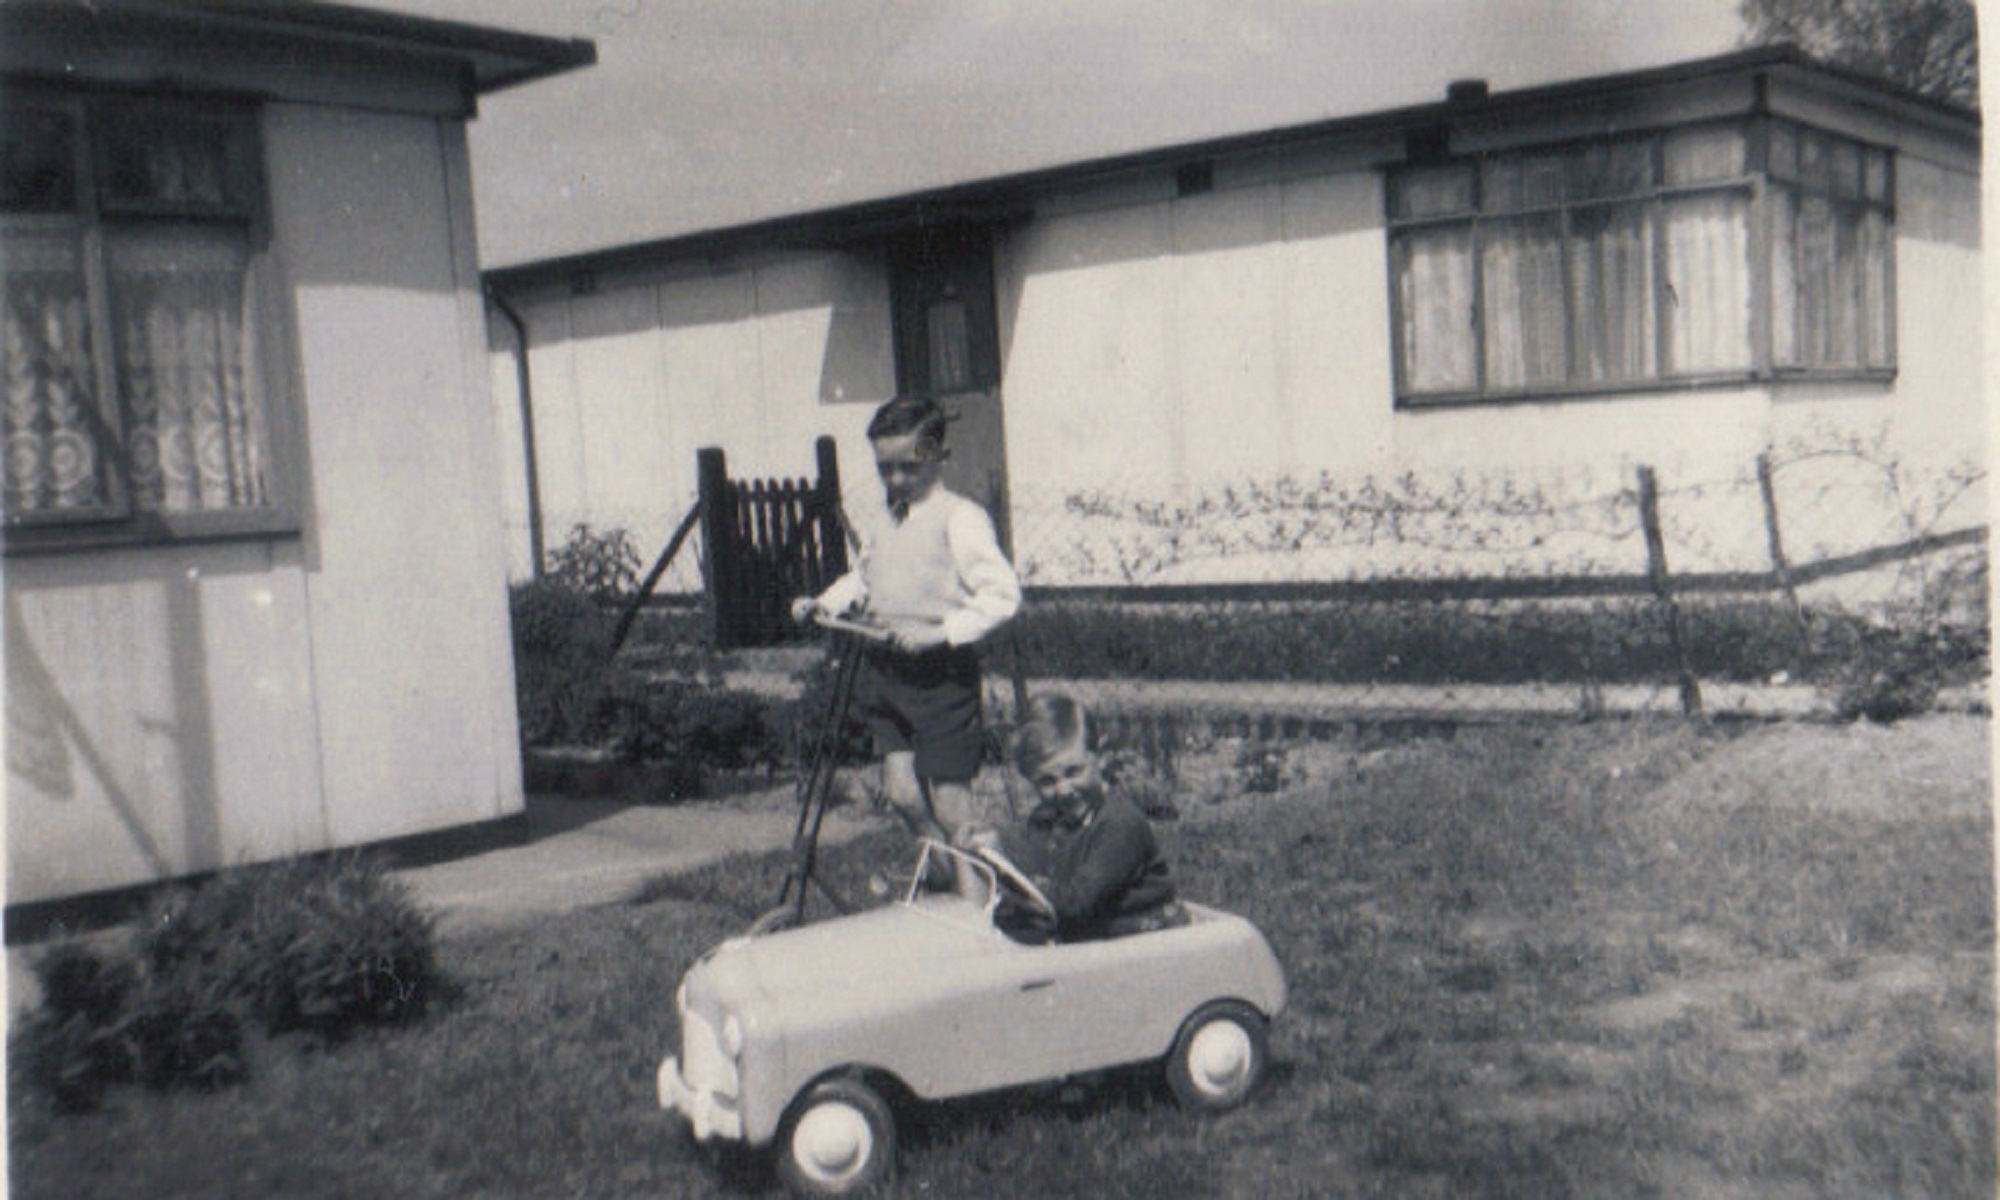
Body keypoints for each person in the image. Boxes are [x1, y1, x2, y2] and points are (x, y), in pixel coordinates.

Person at [792, 395, 1021, 854]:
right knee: (901, 795)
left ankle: (983, 895)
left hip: (941, 681)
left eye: (908, 468)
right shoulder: (883, 520)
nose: (895, 479)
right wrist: (823, 603)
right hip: (887, 676)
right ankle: (945, 871)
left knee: (952, 805)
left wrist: (940, 633)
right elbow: (865, 576)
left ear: (937, 456)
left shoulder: (960, 518)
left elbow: (1003, 595)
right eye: (885, 469)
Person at [973, 693, 1187, 941]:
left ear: (1101, 757)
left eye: (1074, 771)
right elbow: (1033, 865)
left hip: (1147, 938)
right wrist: (991, 854)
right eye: (1047, 781)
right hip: (1096, 934)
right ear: (1030, 780)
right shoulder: (1049, 818)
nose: (1063, 789)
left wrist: (1006, 866)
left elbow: (1077, 903)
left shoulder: (1120, 823)